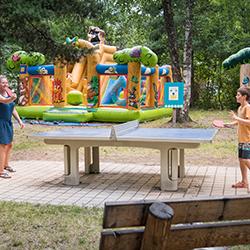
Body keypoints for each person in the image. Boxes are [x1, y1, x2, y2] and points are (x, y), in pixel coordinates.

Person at [225, 86, 250, 188]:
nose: (236, 96)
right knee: (241, 159)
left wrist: (236, 117)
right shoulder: (240, 108)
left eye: (238, 95)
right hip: (241, 138)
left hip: (247, 139)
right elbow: (239, 121)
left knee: (245, 159)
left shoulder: (247, 107)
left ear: (244, 97)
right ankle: (244, 182)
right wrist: (229, 123)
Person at [0, 75, 24, 178]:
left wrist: (19, 121)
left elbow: (13, 108)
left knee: (9, 145)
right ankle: (0, 171)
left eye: (6, 82)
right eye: (3, 83)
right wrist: (12, 98)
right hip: (1, 123)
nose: (5, 84)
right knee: (2, 146)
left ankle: (6, 165)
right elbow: (5, 101)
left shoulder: (8, 92)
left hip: (8, 122)